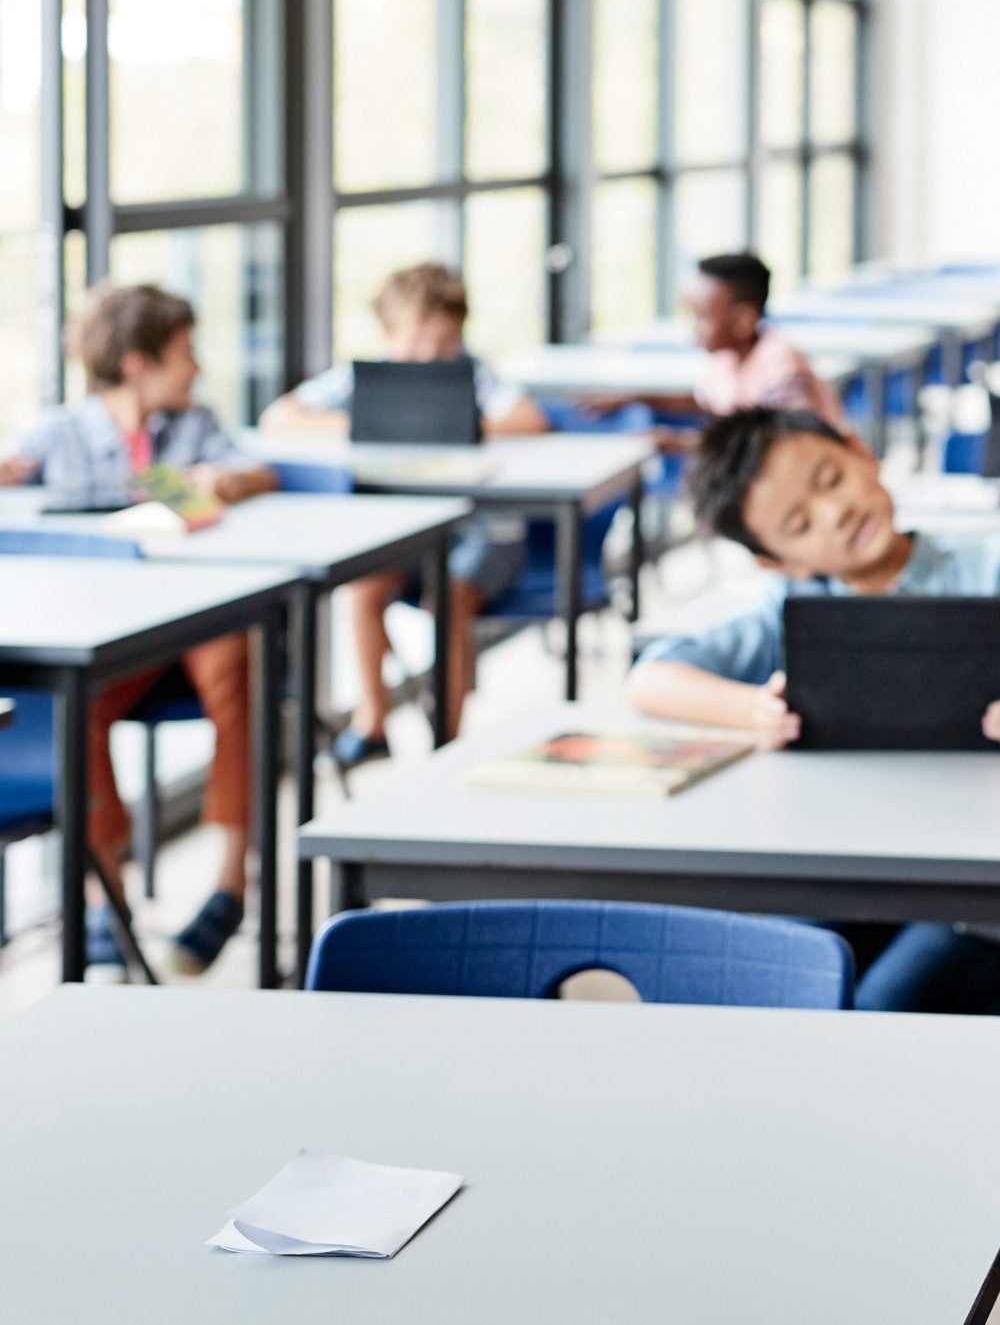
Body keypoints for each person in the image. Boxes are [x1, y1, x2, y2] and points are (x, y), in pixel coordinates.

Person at [624, 406, 1000, 1011]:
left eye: (830, 478)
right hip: (843, 879)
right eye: (800, 524)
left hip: (976, 894)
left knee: (883, 1007)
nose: (835, 514)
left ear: (861, 451)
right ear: (778, 561)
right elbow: (650, 680)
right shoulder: (793, 603)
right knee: (773, 993)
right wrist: (754, 708)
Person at [1, 283, 277, 975]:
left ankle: (230, 884)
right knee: (76, 701)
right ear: (136, 363)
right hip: (113, 633)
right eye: (184, 353)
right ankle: (106, 894)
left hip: (195, 625)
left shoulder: (196, 427)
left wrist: (226, 481)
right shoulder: (58, 435)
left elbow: (257, 469)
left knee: (237, 659)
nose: (196, 368)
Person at [260, 262, 549, 762]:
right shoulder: (365, 382)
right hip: (404, 536)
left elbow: (530, 419)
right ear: (388, 334)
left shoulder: (474, 376)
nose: (430, 358)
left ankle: (448, 740)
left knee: (450, 601)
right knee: (364, 586)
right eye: (417, 343)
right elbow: (280, 417)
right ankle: (373, 722)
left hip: (480, 536)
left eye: (444, 344)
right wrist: (369, 425)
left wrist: (454, 425)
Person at [575, 252, 852, 443]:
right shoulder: (728, 357)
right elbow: (709, 401)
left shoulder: (780, 363)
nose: (693, 328)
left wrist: (683, 443)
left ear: (742, 321)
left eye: (702, 316)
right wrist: (634, 397)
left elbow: (784, 442)